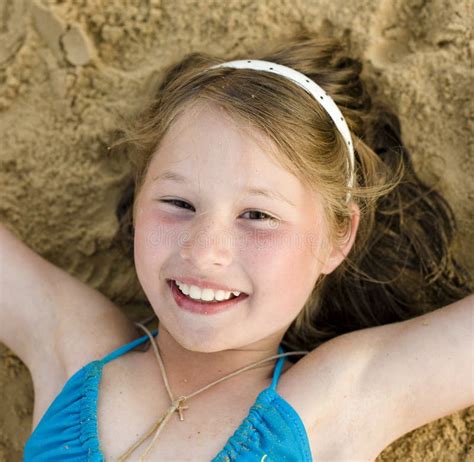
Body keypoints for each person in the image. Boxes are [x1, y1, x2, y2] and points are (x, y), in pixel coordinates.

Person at [0, 32, 472, 461]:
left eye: (258, 216)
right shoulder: (76, 349)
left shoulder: (331, 400)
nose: (204, 251)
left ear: (336, 237)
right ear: (140, 197)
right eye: (179, 202)